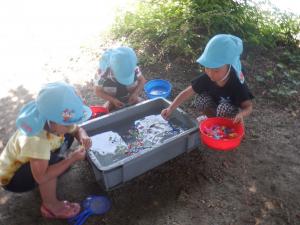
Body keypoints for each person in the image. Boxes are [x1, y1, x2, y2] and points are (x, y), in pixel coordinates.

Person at [0, 82, 93, 219]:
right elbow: (42, 176)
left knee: (67, 137)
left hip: (35, 161)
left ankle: (56, 165)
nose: (71, 126)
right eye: (67, 124)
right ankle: (51, 206)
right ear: (52, 121)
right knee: (48, 170)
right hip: (13, 179)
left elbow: (77, 129)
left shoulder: (53, 119)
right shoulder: (37, 140)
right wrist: (71, 159)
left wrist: (83, 137)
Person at [161, 34, 254, 123]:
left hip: (229, 110)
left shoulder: (236, 82)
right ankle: (212, 119)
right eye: (207, 67)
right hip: (214, 104)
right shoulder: (207, 77)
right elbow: (187, 93)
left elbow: (248, 107)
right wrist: (170, 108)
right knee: (201, 100)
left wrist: (241, 115)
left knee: (223, 109)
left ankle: (225, 124)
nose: (210, 73)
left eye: (216, 70)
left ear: (229, 66)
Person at [94, 46, 147, 111]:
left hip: (131, 94)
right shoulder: (103, 74)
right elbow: (98, 91)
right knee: (103, 112)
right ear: (112, 69)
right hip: (113, 96)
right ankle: (111, 102)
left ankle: (133, 97)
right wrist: (113, 100)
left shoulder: (133, 68)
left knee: (145, 104)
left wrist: (135, 94)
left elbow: (142, 80)